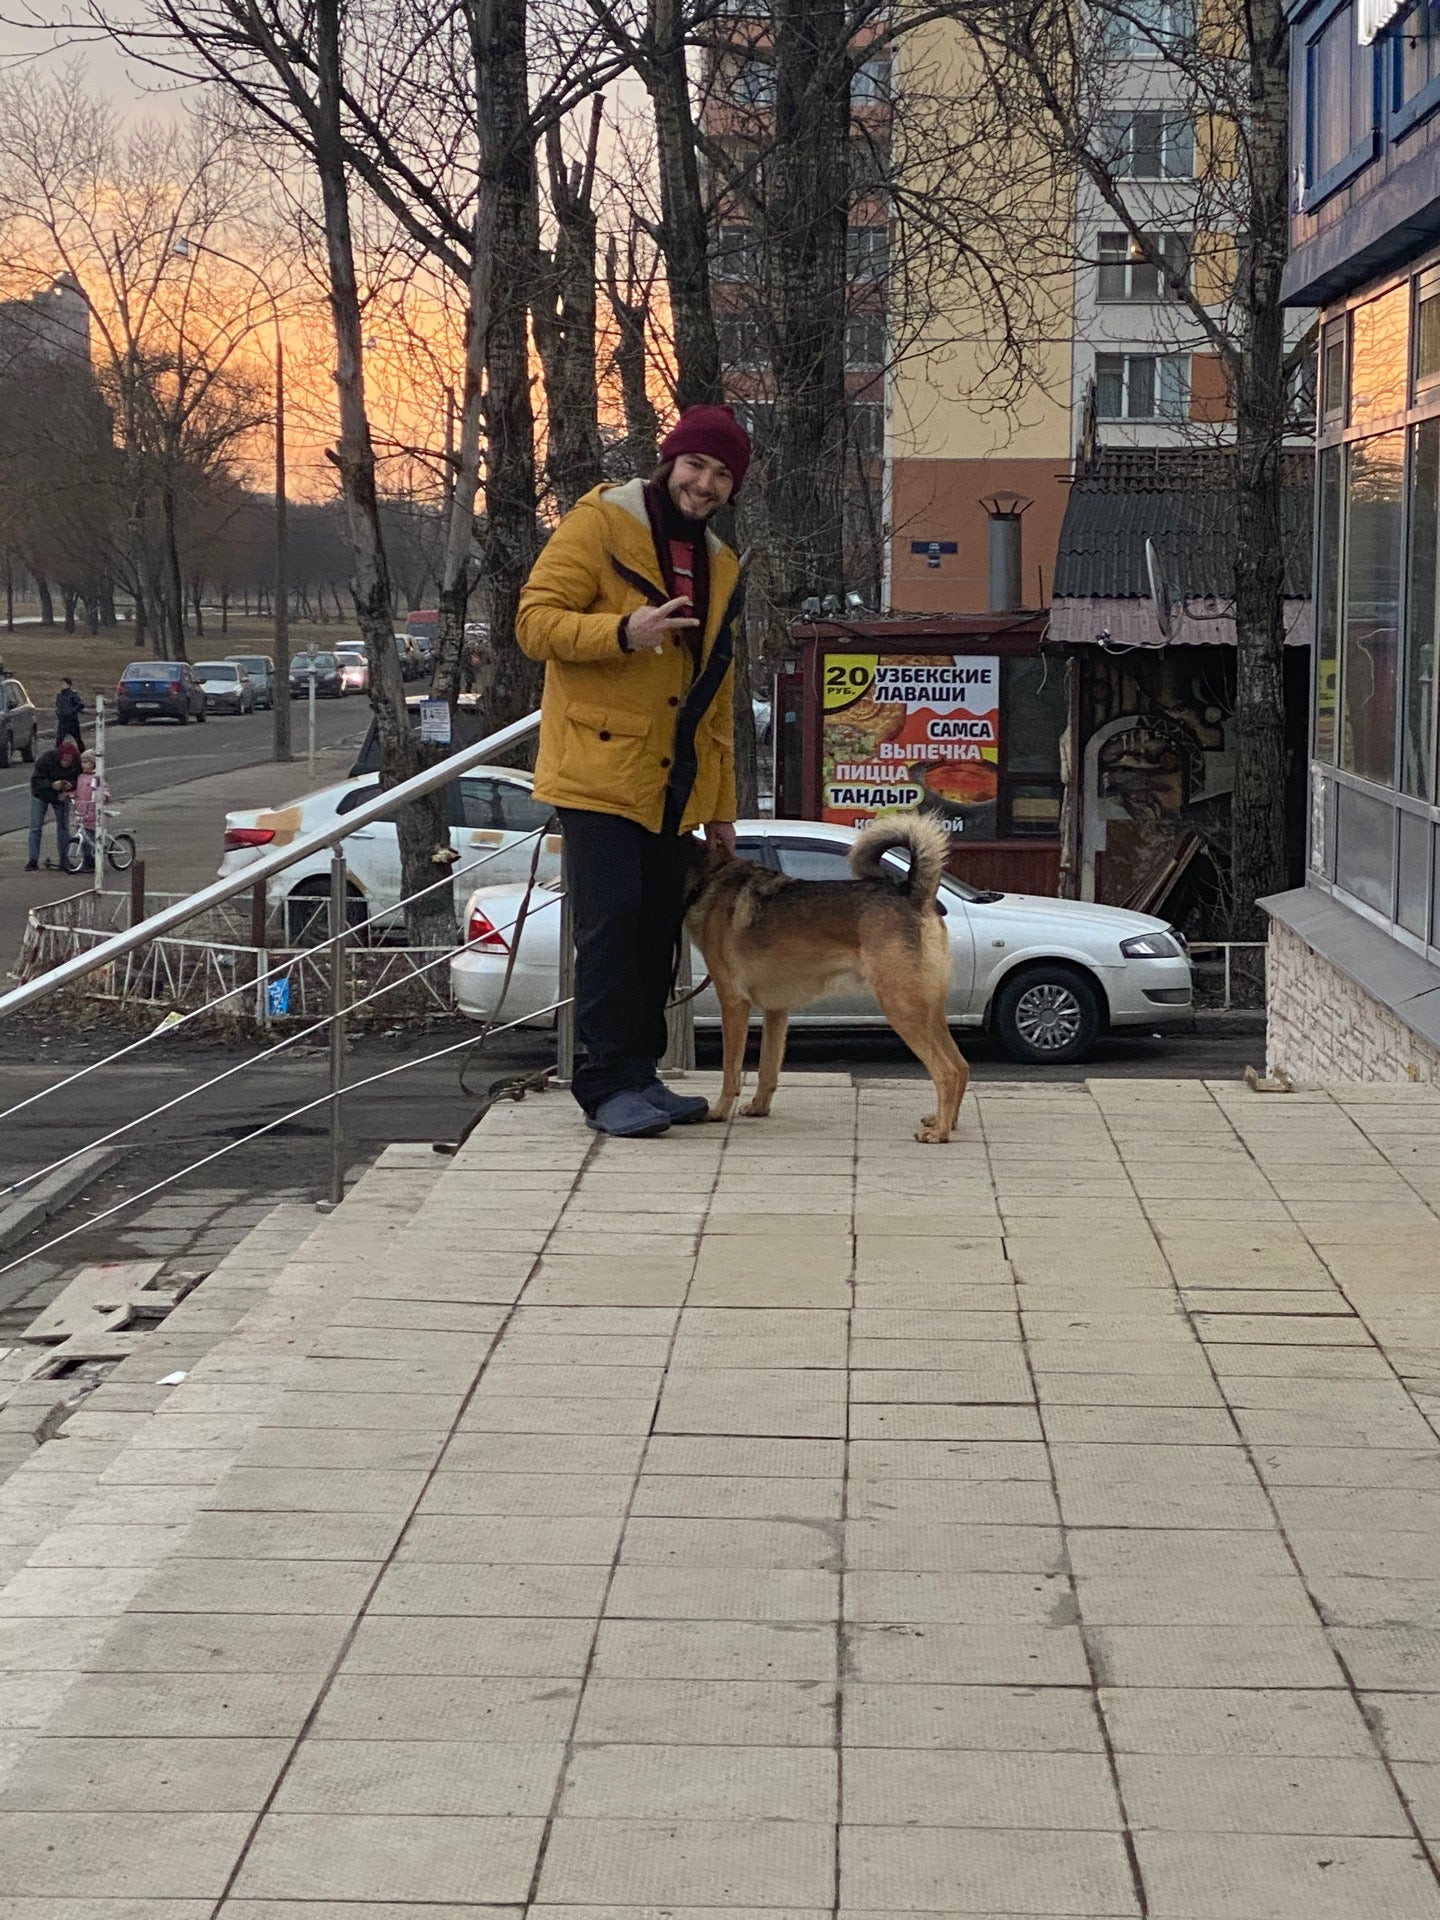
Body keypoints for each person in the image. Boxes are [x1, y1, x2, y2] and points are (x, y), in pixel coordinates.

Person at [517, 404, 751, 1139]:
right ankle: (603, 1084)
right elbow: (532, 623)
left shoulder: (719, 563)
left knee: (656, 931)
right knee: (611, 925)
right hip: (597, 771)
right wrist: (624, 630)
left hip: (670, 784)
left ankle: (641, 1075)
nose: (705, 483)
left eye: (721, 474)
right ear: (670, 460)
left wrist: (720, 808)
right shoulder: (601, 522)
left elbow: (715, 696)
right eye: (696, 465)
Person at [26, 737, 80, 870]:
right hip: (40, 794)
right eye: (64, 760)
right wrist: (52, 785)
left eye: (69, 761)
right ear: (59, 757)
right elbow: (36, 781)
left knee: (63, 827)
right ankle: (33, 859)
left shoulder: (76, 764)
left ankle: (64, 859)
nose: (66, 763)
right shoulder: (46, 760)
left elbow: (78, 778)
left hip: (61, 796)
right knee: (36, 827)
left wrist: (70, 785)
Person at [74, 750, 110, 871]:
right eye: (82, 762)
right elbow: (77, 791)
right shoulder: (81, 777)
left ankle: (92, 860)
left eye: (86, 762)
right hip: (82, 811)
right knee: (83, 838)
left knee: (91, 838)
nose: (83, 765)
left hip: (93, 812)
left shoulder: (97, 777)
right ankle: (86, 859)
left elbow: (104, 790)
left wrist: (103, 796)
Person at [54, 677, 84, 749]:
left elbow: (81, 704)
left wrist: (72, 711)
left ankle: (82, 753)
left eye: (64, 683)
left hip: (72, 721)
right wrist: (58, 712)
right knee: (59, 739)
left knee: (78, 739)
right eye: (61, 684)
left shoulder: (73, 695)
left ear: (68, 685)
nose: (62, 685)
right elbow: (58, 705)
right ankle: (57, 755)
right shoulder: (60, 695)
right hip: (62, 721)